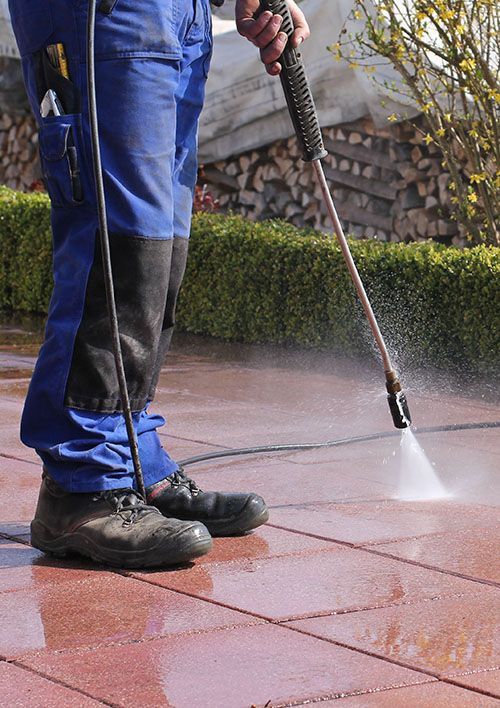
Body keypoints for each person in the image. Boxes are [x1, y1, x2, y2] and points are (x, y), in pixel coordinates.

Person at [8, 0, 310, 568]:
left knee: (161, 240)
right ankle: (82, 483)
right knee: (117, 238)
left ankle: (131, 457)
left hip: (180, 12)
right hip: (102, 11)